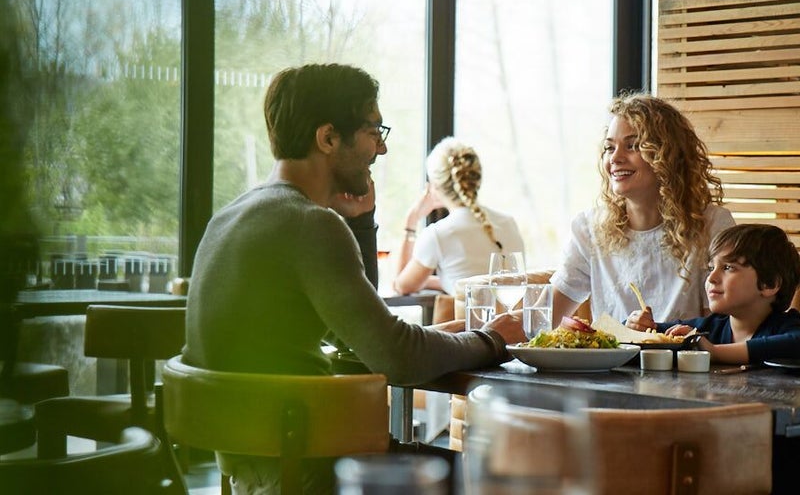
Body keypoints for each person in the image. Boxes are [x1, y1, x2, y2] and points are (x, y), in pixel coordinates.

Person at [183, 63, 526, 494]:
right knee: (509, 470)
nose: (380, 150)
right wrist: (491, 339)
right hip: (309, 467)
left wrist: (362, 222)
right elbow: (396, 356)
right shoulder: (308, 224)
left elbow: (355, 339)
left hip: (258, 465)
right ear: (328, 138)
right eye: (373, 131)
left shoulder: (236, 215)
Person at [550, 94, 735, 324]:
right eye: (609, 147)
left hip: (684, 360)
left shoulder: (713, 224)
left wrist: (658, 332)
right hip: (610, 361)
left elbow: (720, 329)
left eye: (633, 146)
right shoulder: (589, 228)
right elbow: (544, 318)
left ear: (666, 156)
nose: (615, 158)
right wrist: (493, 336)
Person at [626, 224, 800, 365]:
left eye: (728, 268)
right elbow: (653, 334)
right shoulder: (707, 329)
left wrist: (713, 352)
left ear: (769, 284)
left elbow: (794, 342)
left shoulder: (789, 328)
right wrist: (634, 326)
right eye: (711, 268)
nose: (711, 277)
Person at [393, 136, 525, 295]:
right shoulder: (508, 223)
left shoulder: (437, 234)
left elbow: (401, 286)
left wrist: (411, 220)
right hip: (515, 320)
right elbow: (491, 284)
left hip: (471, 320)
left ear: (435, 186)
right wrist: (444, 281)